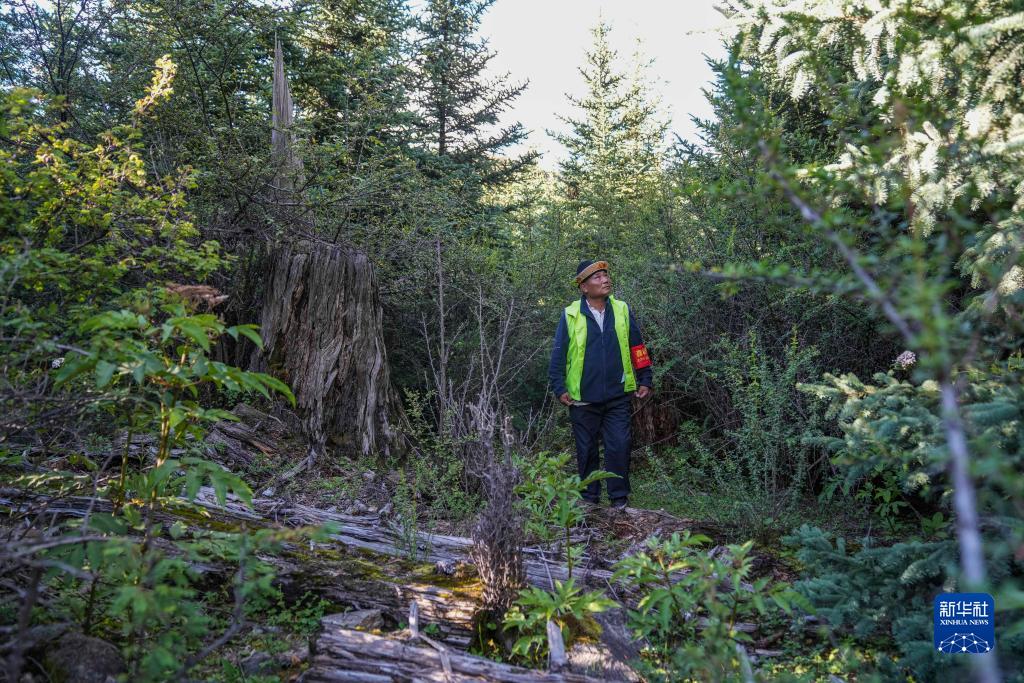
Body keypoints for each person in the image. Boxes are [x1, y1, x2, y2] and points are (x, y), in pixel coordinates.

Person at [548, 260, 653, 508]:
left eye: (605, 275)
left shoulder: (622, 309)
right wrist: (559, 387)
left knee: (619, 446)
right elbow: (558, 354)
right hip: (582, 398)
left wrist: (645, 377)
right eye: (597, 277)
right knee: (587, 451)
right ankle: (589, 501)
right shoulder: (571, 314)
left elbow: (637, 346)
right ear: (584, 287)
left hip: (618, 395)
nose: (605, 280)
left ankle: (619, 500)